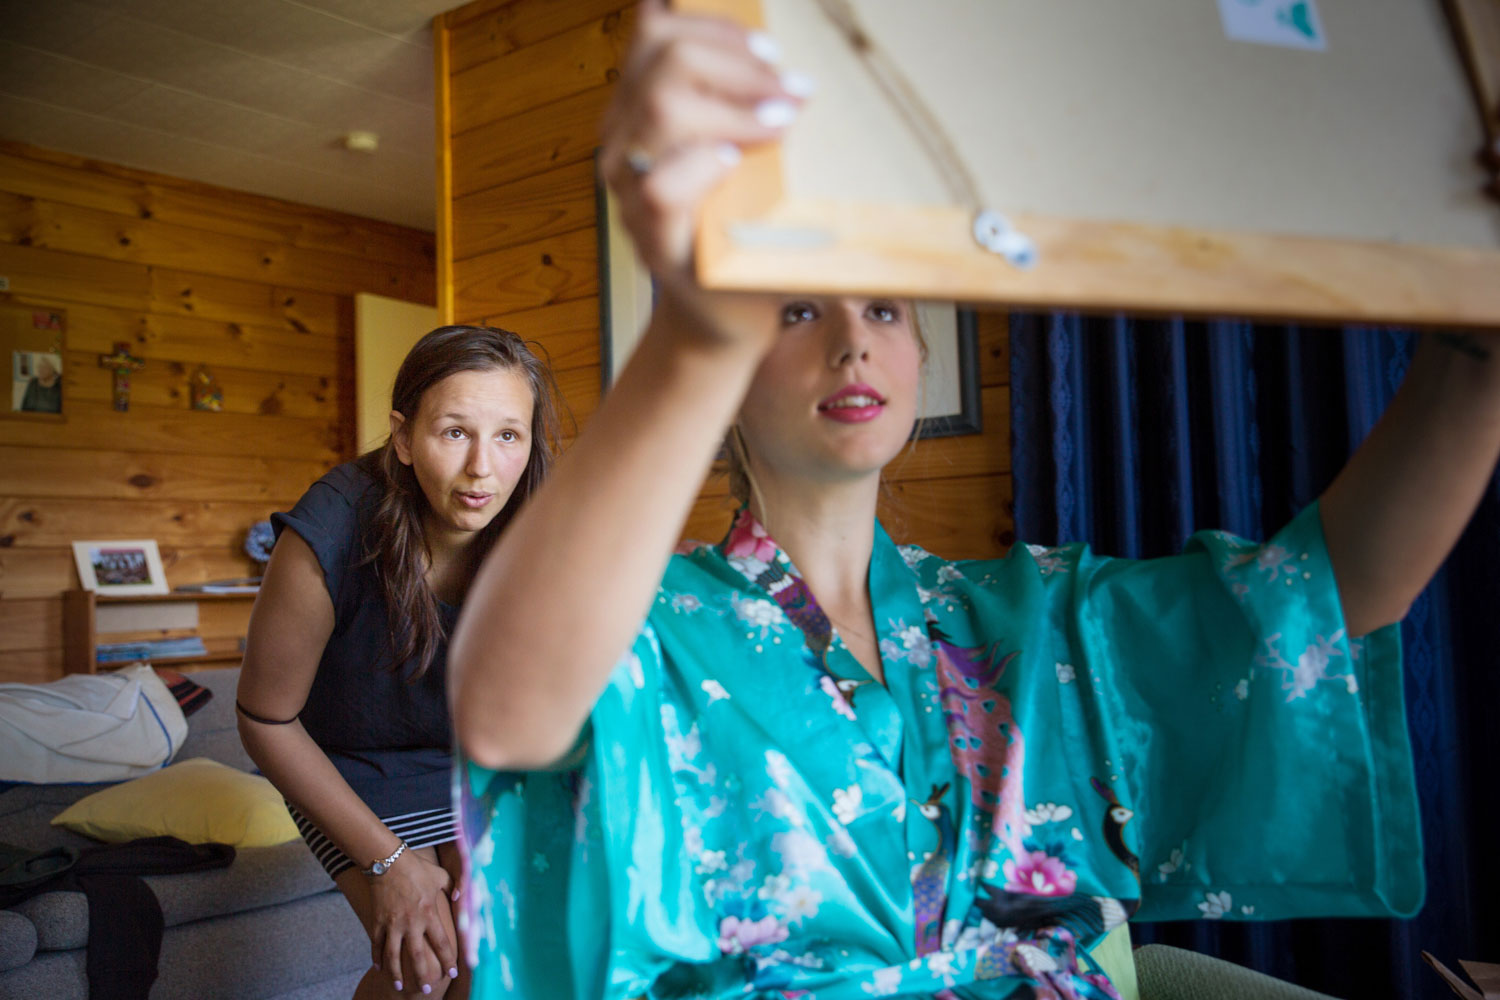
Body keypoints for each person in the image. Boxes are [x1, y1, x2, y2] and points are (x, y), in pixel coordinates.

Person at [447, 4, 1500, 997]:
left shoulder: (1037, 621)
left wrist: (1476, 345)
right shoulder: (653, 624)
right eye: (799, 306)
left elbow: (1328, 593)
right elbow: (506, 714)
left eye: (885, 306)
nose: (852, 339)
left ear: (919, 353)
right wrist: (700, 329)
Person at [238, 326, 560, 1000]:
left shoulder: (544, 515)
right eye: (454, 432)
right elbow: (265, 720)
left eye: (509, 435)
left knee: (498, 959)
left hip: (470, 757)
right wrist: (390, 864)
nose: (482, 468)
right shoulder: (328, 532)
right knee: (429, 966)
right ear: (405, 437)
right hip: (348, 764)